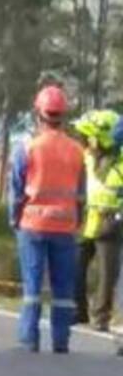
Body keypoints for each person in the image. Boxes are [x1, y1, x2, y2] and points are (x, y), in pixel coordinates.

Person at [9, 85, 86, 354]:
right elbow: (81, 193)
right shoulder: (77, 150)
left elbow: (17, 191)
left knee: (32, 286)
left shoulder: (27, 148)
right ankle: (61, 341)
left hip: (33, 226)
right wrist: (78, 222)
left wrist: (14, 220)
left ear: (38, 114)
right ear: (62, 115)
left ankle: (29, 339)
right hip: (65, 227)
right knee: (63, 289)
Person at [72, 109, 123, 331]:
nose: (82, 141)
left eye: (86, 136)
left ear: (97, 138)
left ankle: (100, 317)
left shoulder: (118, 163)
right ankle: (78, 310)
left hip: (110, 221)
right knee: (75, 265)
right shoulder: (88, 157)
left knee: (107, 273)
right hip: (89, 218)